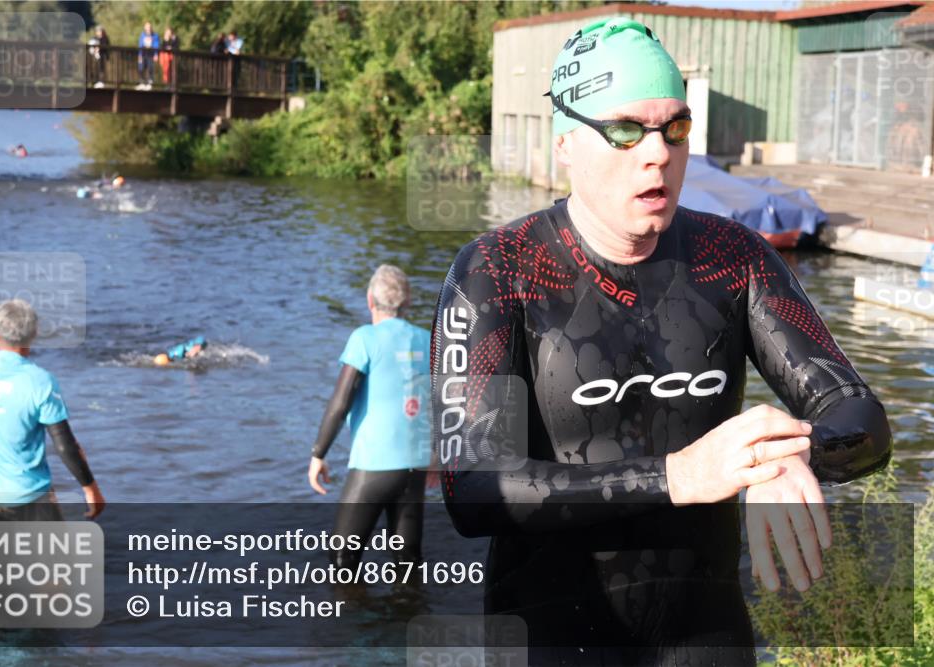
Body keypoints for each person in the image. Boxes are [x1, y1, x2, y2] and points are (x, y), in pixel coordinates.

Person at [430, 17, 891, 665]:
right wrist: (678, 475)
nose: (658, 153)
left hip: (705, 636)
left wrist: (791, 451)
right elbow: (473, 487)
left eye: (675, 128)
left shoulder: (734, 257)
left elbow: (861, 416)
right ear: (565, 143)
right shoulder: (497, 271)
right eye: (624, 130)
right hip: (554, 639)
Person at [0, 300, 105, 524]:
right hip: (32, 500)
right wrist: (90, 488)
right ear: (33, 336)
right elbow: (65, 445)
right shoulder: (41, 382)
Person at [308, 265, 431, 570]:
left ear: (369, 300)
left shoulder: (364, 338)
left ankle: (349, 615)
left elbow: (341, 401)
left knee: (341, 559)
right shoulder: (429, 340)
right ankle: (409, 613)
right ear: (409, 301)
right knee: (408, 562)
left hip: (374, 465)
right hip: (416, 465)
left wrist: (318, 453)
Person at [137, 21, 159, 89]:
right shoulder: (142, 35)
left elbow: (156, 45)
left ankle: (150, 82)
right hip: (143, 53)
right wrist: (139, 54)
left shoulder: (155, 35)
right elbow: (140, 44)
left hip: (150, 53)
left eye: (149, 27)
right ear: (145, 28)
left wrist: (156, 54)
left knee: (150, 67)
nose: (148, 28)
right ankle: (142, 82)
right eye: (147, 27)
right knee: (141, 67)